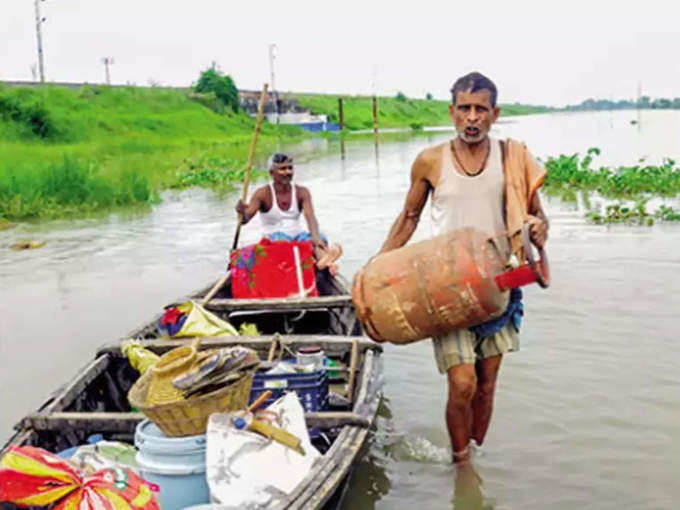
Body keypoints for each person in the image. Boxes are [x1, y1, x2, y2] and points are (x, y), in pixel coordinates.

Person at [378, 72, 549, 464]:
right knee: (462, 382)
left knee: (487, 385)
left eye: (481, 109)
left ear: (495, 114)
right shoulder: (430, 161)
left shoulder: (513, 158)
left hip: (501, 284)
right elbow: (408, 218)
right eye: (465, 109)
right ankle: (461, 464)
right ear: (452, 112)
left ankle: (474, 452)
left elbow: (538, 219)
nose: (472, 118)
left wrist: (540, 228)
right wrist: (380, 268)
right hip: (447, 288)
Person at [235, 153, 342, 274]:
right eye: (282, 169)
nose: (287, 172)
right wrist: (241, 212)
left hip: (297, 235)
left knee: (317, 240)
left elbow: (310, 217)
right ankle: (323, 263)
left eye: (290, 168)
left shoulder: (302, 192)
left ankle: (325, 262)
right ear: (272, 173)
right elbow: (245, 219)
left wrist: (315, 237)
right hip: (274, 237)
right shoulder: (263, 194)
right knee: (283, 245)